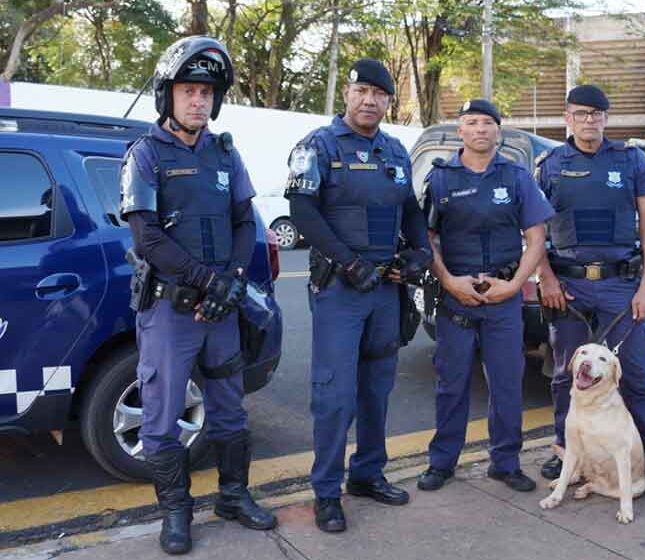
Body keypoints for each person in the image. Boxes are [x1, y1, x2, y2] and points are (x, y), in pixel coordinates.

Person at [120, 36, 276, 555]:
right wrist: (207, 280)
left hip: (221, 310)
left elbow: (244, 223)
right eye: (189, 90)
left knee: (230, 412)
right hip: (170, 311)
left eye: (207, 92)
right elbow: (147, 237)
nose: (198, 101)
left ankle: (233, 496)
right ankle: (177, 514)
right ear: (169, 95)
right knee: (162, 418)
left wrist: (229, 278)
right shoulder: (145, 155)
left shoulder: (225, 153)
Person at [285, 58, 432, 533]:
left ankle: (367, 474)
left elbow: (409, 209)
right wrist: (348, 262)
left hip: (385, 290)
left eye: (380, 94)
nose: (370, 101)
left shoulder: (394, 151)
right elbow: (302, 212)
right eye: (362, 91)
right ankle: (327, 492)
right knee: (334, 394)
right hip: (340, 290)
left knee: (377, 388)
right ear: (347, 95)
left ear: (390, 101)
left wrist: (420, 253)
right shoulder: (318, 146)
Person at [535, 84, 645, 511]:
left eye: (597, 114)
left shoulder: (630, 160)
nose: (590, 120)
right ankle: (567, 455)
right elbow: (533, 230)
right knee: (567, 376)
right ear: (567, 117)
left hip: (621, 287)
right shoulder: (550, 165)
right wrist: (546, 277)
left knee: (638, 379)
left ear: (606, 118)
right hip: (568, 288)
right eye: (581, 113)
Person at [417, 99, 553, 493]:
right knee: (451, 384)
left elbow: (537, 239)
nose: (479, 129)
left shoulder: (516, 177)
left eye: (487, 123)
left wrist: (513, 286)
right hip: (456, 298)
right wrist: (448, 281)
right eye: (471, 123)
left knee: (508, 383)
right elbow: (427, 240)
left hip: (503, 297)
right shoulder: (440, 178)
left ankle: (505, 462)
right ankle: (442, 463)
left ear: (498, 132)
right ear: (460, 130)